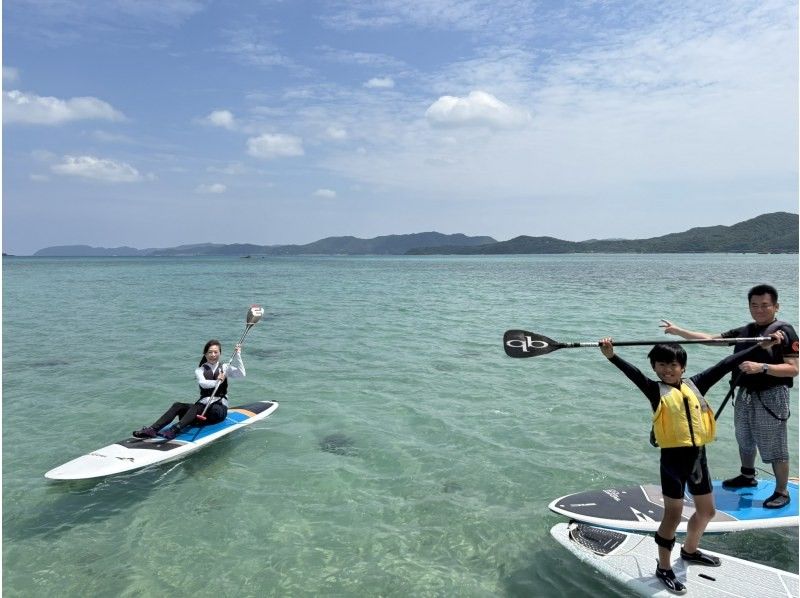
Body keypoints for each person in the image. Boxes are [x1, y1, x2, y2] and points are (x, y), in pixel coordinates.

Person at [599, 332, 781, 594]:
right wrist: (612, 356)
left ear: (682, 367)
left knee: (706, 511)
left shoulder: (696, 384)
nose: (667, 370)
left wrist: (758, 345)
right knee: (672, 516)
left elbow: (725, 364)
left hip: (698, 459)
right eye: (661, 365)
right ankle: (663, 567)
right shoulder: (654, 390)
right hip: (673, 461)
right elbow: (634, 374)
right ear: (655, 367)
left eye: (673, 365)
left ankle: (689, 551)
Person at [661, 284, 799, 508]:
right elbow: (712, 339)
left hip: (772, 395)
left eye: (765, 305)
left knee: (774, 444)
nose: (759, 310)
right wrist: (679, 331)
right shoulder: (746, 330)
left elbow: (794, 368)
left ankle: (782, 490)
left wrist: (761, 366)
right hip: (744, 393)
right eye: (754, 305)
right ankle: (747, 476)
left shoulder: (784, 332)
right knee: (744, 438)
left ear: (776, 306)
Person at [133, 340, 245, 441]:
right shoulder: (199, 370)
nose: (213, 355)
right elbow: (203, 384)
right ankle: (152, 430)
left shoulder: (225, 368)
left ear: (220, 353)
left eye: (216, 352)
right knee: (178, 405)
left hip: (219, 410)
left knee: (196, 407)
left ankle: (175, 430)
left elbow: (241, 374)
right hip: (202, 409)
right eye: (210, 352)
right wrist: (217, 381)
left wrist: (238, 355)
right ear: (205, 354)